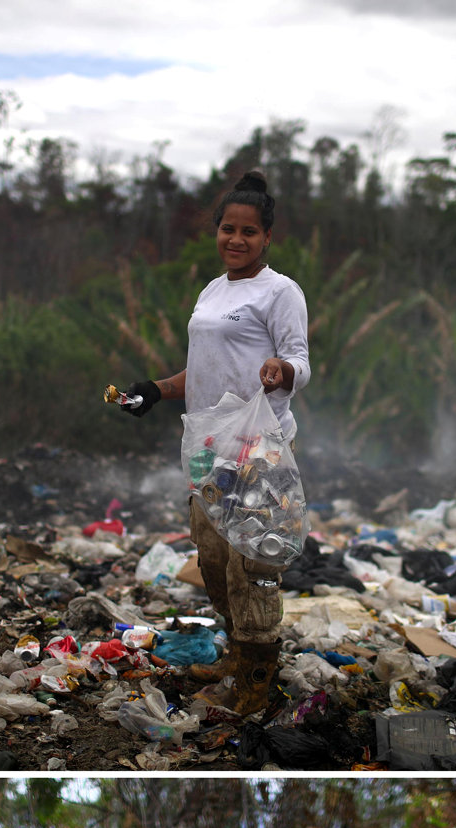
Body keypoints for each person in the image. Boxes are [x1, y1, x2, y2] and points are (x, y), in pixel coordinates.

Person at [109, 168, 311, 716]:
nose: (236, 240)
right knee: (215, 559)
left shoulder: (280, 291)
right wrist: (154, 390)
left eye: (249, 231)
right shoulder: (213, 291)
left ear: (267, 237)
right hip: (206, 451)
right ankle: (237, 654)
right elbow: (202, 371)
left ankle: (255, 681)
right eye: (228, 228)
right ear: (217, 232)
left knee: (253, 566)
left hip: (257, 451)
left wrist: (280, 370)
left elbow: (301, 362)